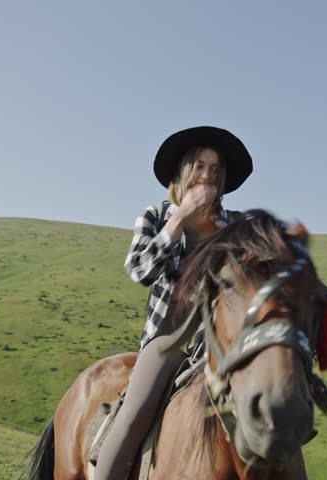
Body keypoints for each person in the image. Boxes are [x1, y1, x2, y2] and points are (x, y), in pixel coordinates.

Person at [95, 126, 253, 480]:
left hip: (226, 337)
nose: (207, 175)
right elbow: (140, 270)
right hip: (170, 336)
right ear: (183, 170)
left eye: (215, 169)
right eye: (199, 166)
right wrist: (179, 219)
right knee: (135, 413)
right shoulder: (154, 216)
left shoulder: (240, 225)